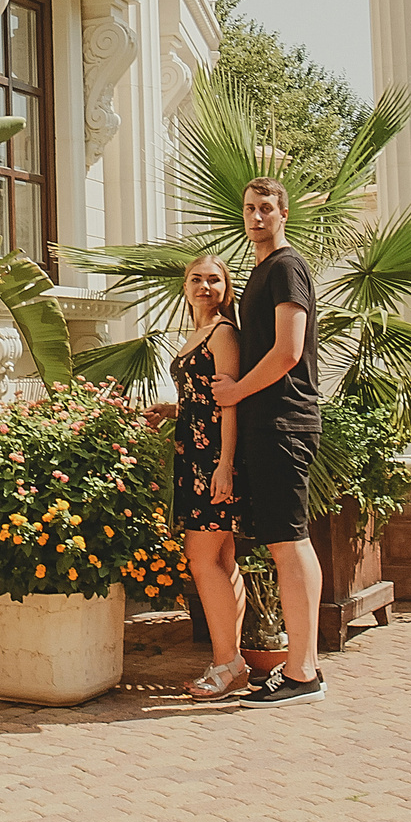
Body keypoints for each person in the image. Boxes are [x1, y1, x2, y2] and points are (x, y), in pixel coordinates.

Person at [211, 177, 327, 706]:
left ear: (284, 213)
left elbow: (287, 352)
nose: (256, 217)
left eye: (266, 209)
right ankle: (301, 669)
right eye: (249, 208)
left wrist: (235, 389)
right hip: (265, 424)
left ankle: (304, 672)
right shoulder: (261, 271)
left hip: (285, 421)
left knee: (290, 540)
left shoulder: (285, 267)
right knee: (283, 542)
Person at [149, 253, 248, 700]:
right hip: (192, 455)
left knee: (201, 557)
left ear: (226, 287)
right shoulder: (196, 334)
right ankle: (232, 663)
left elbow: (230, 403)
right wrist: (173, 411)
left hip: (213, 460)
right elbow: (200, 397)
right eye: (196, 279)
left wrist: (225, 465)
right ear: (185, 286)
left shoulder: (224, 332)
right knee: (222, 560)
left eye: (214, 279)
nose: (204, 286)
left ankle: (228, 663)